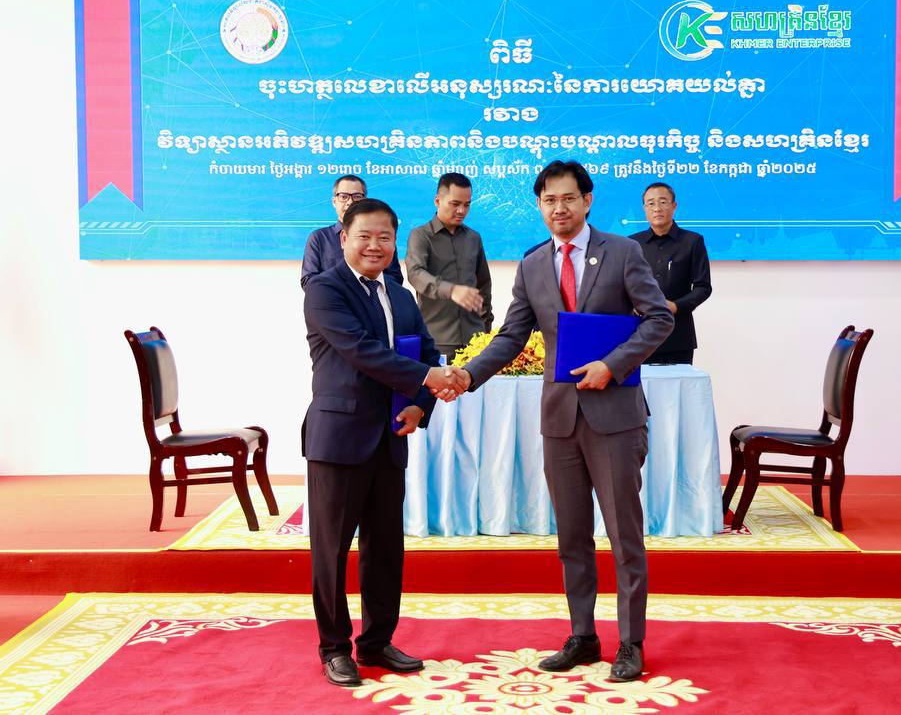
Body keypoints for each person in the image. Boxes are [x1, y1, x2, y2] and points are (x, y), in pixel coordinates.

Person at [446, 161, 673, 682]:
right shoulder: (532, 266)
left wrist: (612, 364)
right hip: (560, 420)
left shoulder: (623, 252)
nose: (559, 209)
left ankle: (631, 642)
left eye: (568, 198)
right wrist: (468, 374)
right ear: (540, 205)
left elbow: (659, 317)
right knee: (571, 537)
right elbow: (511, 336)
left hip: (614, 417)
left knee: (624, 535)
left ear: (587, 200)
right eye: (549, 200)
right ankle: (583, 636)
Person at [302, 198, 460, 688]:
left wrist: (421, 404)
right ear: (343, 238)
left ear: (395, 243)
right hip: (339, 438)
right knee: (331, 551)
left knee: (385, 548)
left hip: (390, 437)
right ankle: (334, 648)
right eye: (364, 236)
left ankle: (376, 642)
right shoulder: (325, 290)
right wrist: (430, 378)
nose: (375, 246)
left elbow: (426, 350)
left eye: (385, 238)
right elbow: (362, 351)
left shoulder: (402, 296)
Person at [405, 173, 494, 361]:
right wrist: (451, 290)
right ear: (438, 201)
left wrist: (486, 328)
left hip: (474, 339)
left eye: (467, 205)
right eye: (455, 204)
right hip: (437, 339)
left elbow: (483, 284)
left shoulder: (473, 238)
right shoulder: (421, 236)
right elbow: (415, 273)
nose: (461, 210)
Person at [629, 183, 713, 365]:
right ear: (644, 209)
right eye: (651, 203)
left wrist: (675, 306)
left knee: (678, 383)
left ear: (674, 206)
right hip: (639, 335)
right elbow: (622, 285)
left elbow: (703, 287)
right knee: (639, 384)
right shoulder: (632, 244)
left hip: (678, 336)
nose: (657, 208)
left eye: (663, 202)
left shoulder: (692, 242)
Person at [302, 175, 403, 289]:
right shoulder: (319, 237)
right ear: (334, 201)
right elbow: (308, 280)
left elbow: (395, 278)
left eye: (357, 196)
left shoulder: (381, 237)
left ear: (364, 201)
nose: (350, 202)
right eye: (343, 196)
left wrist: (369, 289)